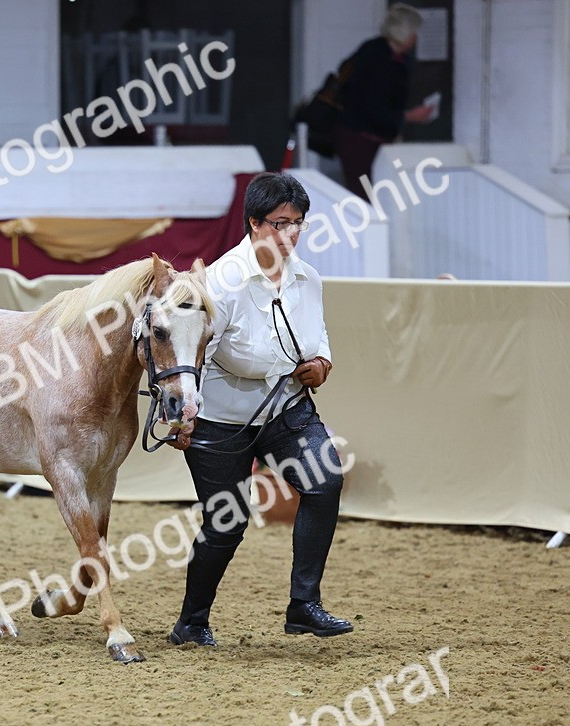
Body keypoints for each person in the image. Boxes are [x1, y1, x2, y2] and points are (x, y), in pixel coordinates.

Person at [167, 172, 352, 647]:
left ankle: (303, 606)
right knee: (227, 522)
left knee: (325, 478)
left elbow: (318, 330)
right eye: (280, 223)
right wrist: (181, 415)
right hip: (219, 418)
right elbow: (191, 350)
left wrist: (322, 361)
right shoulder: (220, 283)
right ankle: (191, 622)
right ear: (254, 224)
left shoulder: (308, 277)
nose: (291, 234)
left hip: (285, 404)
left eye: (298, 224)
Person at [333, 3, 434, 199]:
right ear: (403, 32)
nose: (416, 38)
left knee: (381, 194)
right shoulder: (378, 58)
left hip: (374, 141)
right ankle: (365, 229)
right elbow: (374, 108)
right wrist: (409, 117)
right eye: (414, 32)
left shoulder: (393, 57)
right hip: (359, 140)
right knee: (364, 196)